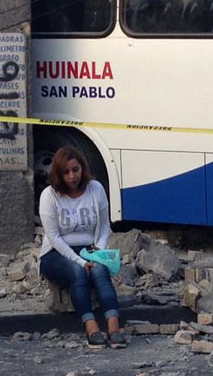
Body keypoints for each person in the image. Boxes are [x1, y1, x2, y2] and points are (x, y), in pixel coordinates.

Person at [38, 147, 125, 348]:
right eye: (66, 172)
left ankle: (113, 326)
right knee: (78, 272)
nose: (72, 176)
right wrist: (80, 261)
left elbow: (104, 225)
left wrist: (98, 251)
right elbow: (54, 237)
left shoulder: (96, 189)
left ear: (82, 169)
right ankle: (91, 326)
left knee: (100, 272)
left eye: (75, 170)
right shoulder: (49, 196)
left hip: (89, 248)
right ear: (58, 174)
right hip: (56, 252)